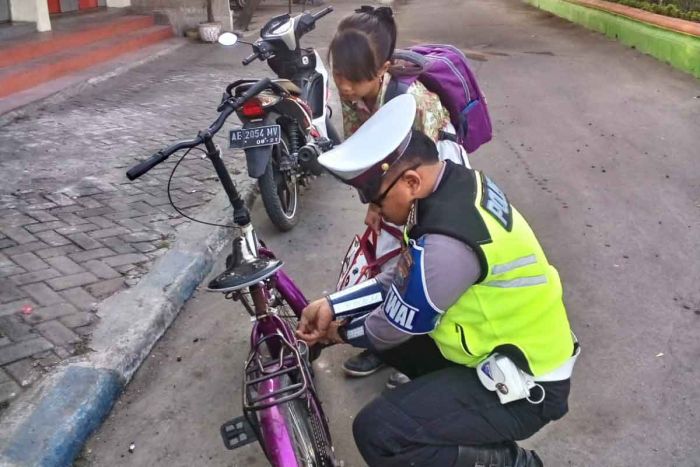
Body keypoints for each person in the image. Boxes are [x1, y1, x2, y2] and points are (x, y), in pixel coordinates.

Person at [297, 95, 578, 466]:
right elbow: (401, 276)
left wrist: (338, 333)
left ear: (411, 181)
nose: (373, 215)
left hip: (528, 385)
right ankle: (449, 425)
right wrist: (334, 304)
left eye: (376, 201)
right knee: (391, 350)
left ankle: (512, 463)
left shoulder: (447, 244)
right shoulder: (455, 184)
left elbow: (390, 326)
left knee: (378, 433)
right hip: (503, 350)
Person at [329, 5, 468, 380]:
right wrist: (375, 203)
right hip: (395, 181)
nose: (344, 87)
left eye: (354, 80)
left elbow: (422, 172)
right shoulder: (351, 90)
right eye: (338, 75)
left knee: (422, 261)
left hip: (433, 172)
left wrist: (405, 216)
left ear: (383, 70)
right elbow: (364, 150)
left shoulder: (414, 102)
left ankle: (417, 350)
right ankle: (385, 343)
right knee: (390, 259)